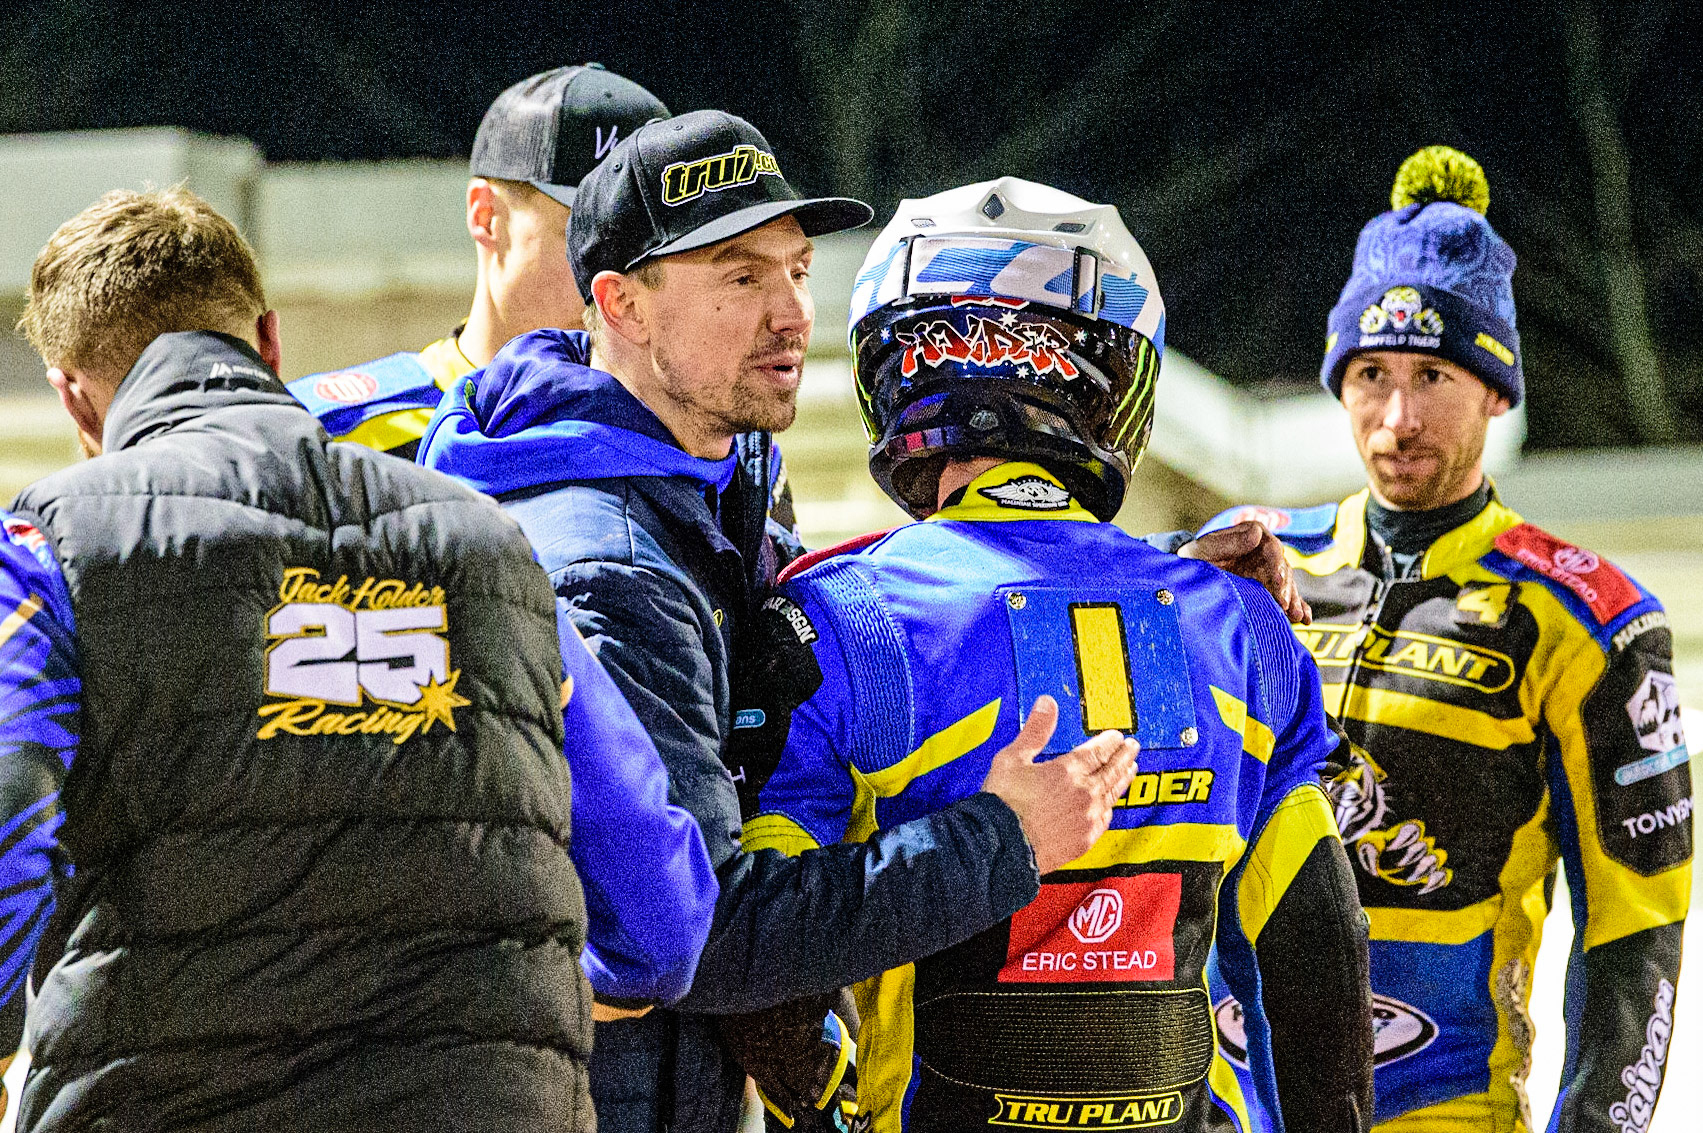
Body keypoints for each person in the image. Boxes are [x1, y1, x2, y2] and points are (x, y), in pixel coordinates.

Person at [418, 112, 1142, 1133]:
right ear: (620, 305)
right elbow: (710, 935)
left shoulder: (711, 477)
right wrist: (1002, 837)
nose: (792, 314)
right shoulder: (611, 563)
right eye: (739, 277)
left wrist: (1162, 568)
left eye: (797, 271)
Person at [0, 186, 716, 1131]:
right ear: (268, 341)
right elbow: (663, 917)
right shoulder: (493, 548)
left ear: (73, 397)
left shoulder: (46, 554)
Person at [727, 177, 1375, 1133]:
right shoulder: (1239, 620)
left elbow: (769, 964)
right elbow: (1319, 951)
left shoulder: (837, 618)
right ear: (1109, 376)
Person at [1202, 147, 1692, 1132]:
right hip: (1231, 1104)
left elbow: (1634, 928)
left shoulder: (1587, 616)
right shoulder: (1240, 565)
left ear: (1496, 393)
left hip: (1443, 1106)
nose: (1394, 417)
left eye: (1432, 375)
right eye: (1369, 373)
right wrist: (1182, 598)